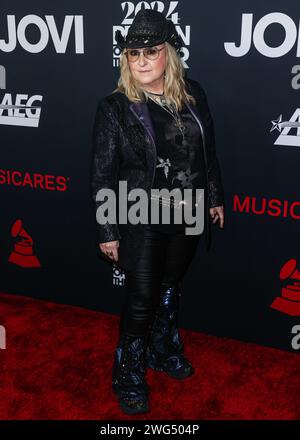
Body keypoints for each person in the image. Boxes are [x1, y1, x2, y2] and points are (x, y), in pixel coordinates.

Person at [90, 9, 225, 415]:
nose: (142, 60)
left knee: (169, 287)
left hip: (189, 211)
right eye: (133, 53)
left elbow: (208, 153)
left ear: (170, 53)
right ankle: (128, 373)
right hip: (139, 214)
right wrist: (107, 229)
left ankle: (162, 350)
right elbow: (101, 175)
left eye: (151, 50)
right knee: (142, 297)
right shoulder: (115, 107)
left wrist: (214, 196)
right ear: (125, 60)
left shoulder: (194, 93)